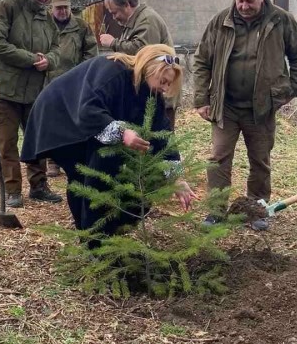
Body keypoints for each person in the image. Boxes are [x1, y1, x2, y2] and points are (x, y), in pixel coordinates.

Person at [20, 44, 197, 236]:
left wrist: (176, 178)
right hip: (60, 117)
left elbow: (162, 133)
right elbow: (88, 108)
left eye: (169, 84)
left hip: (88, 124)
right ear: (150, 68)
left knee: (102, 168)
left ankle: (106, 235)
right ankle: (93, 240)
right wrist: (122, 133)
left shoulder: (151, 93)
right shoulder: (113, 70)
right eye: (163, 81)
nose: (165, 88)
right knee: (85, 175)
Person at [193, 0, 297, 230]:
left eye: (250, 1)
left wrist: (292, 89)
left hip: (262, 107)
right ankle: (216, 211)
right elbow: (202, 60)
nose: (244, 6)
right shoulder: (220, 21)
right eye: (239, 0)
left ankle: (257, 209)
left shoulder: (280, 20)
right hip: (226, 106)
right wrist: (202, 98)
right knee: (218, 158)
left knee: (260, 159)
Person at [0, 0, 63, 208]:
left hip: (35, 91)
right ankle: (12, 190)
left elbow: (58, 49)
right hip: (4, 89)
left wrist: (50, 60)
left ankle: (39, 186)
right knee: (7, 142)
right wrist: (29, 59)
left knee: (37, 139)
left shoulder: (47, 18)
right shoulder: (7, 7)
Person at [99, 0, 179, 129]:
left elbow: (143, 53)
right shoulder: (135, 21)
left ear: (127, 5)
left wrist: (113, 43)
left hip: (160, 93)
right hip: (150, 94)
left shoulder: (147, 20)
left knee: (161, 140)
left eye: (115, 12)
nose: (114, 17)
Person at [45, 0, 98, 177]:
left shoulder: (81, 26)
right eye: (59, 8)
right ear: (52, 8)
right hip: (48, 82)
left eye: (66, 7)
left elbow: (91, 52)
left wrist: (83, 75)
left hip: (73, 82)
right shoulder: (44, 24)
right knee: (51, 123)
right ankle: (52, 162)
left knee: (74, 122)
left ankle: (74, 160)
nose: (63, 11)